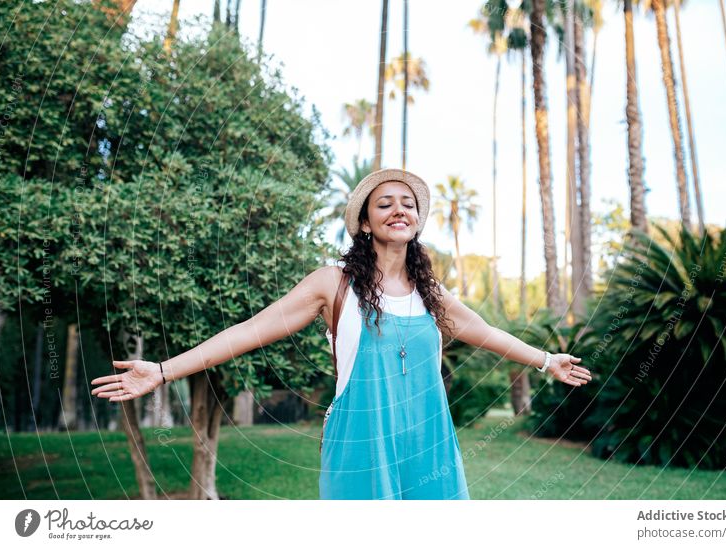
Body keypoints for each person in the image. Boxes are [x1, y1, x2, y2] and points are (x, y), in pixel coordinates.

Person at [91, 168, 592, 500]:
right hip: (361, 440)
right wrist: (162, 370)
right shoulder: (333, 283)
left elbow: (482, 330)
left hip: (429, 440)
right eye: (385, 204)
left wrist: (546, 360)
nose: (399, 210)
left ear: (417, 221)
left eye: (408, 204)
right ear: (366, 222)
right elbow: (250, 330)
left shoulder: (430, 290)